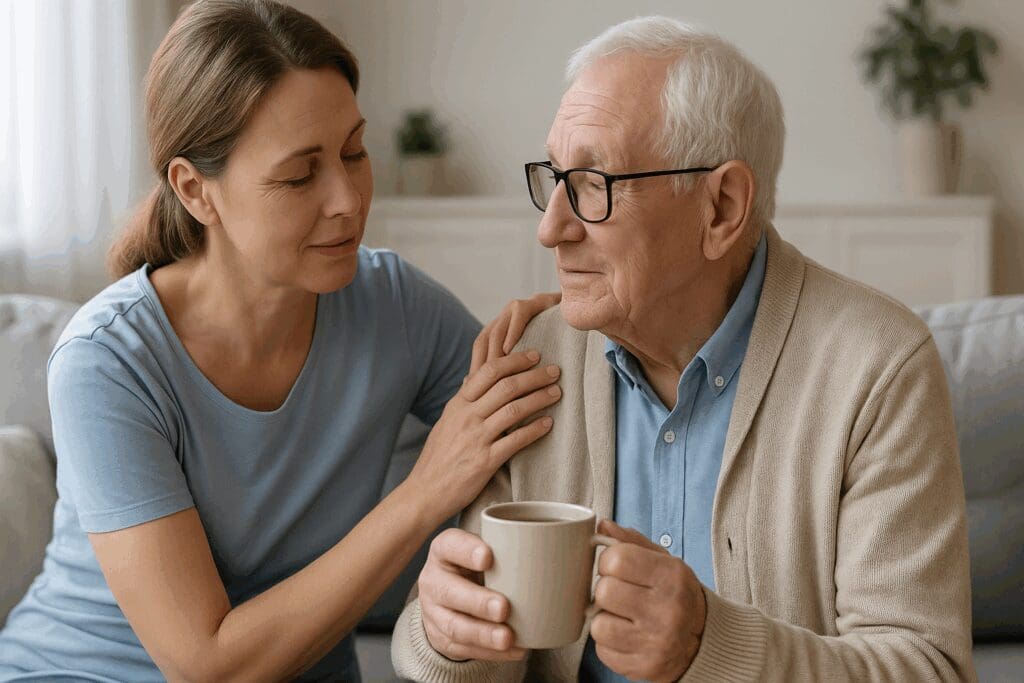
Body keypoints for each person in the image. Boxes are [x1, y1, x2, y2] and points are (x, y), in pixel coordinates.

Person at [392, 16, 975, 683]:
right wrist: (448, 637)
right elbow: (455, 643)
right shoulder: (531, 361)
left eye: (592, 183)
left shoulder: (876, 367)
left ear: (721, 206)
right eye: (553, 177)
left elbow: (927, 670)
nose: (550, 228)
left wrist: (707, 643)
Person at [0, 1, 561, 681]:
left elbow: (540, 426)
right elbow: (207, 662)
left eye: (354, 152)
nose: (349, 200)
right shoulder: (108, 360)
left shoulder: (395, 306)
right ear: (194, 189)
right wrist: (424, 492)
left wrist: (568, 333)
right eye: (300, 175)